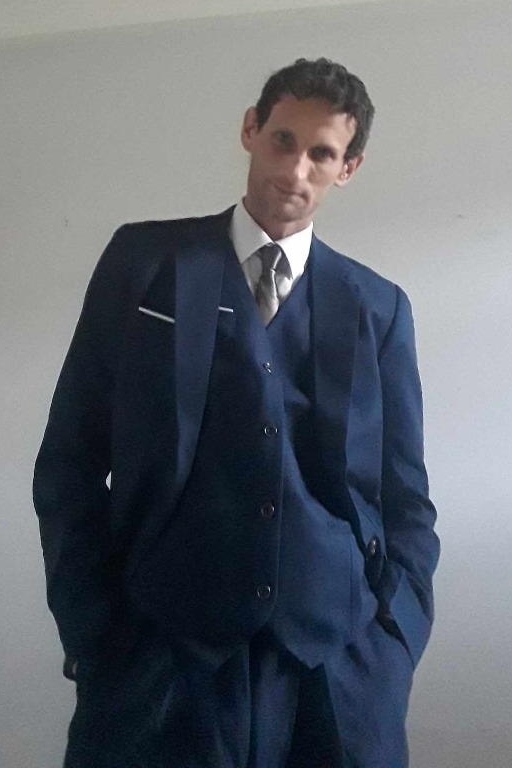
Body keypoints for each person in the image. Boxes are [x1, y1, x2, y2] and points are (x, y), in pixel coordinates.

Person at [33, 58, 439, 768]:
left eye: (322, 154)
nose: (295, 170)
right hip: (159, 650)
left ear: (348, 168)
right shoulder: (145, 261)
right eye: (283, 140)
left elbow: (404, 491)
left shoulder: (378, 308)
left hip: (338, 663)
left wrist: (395, 640)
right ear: (251, 129)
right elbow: (70, 457)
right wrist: (92, 628)